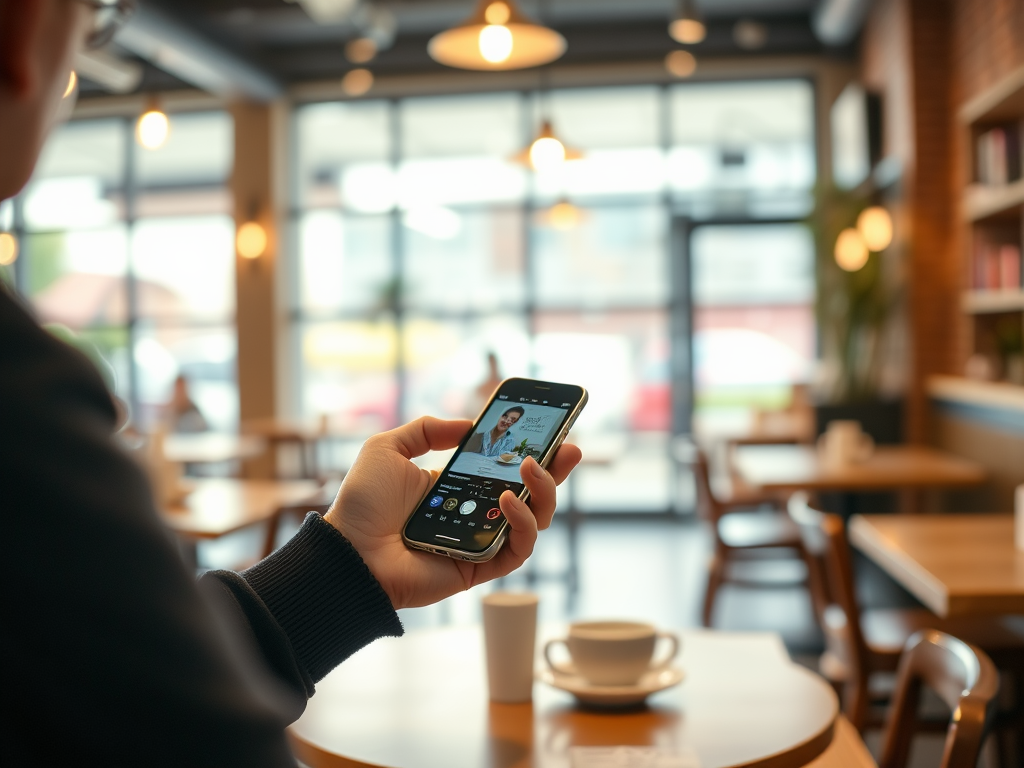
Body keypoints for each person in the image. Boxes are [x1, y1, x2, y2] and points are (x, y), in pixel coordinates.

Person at [0, 2, 582, 765]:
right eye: (92, 24)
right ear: (24, 33)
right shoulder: (20, 397)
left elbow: (80, 691)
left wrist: (349, 562)